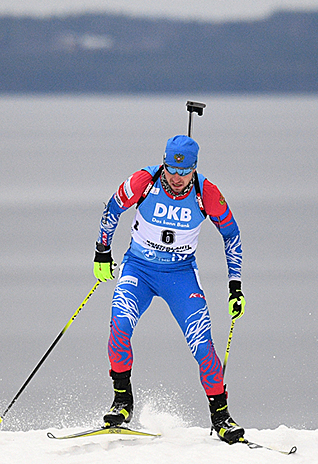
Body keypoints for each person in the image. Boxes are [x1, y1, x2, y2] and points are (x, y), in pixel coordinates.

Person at [92, 134, 246, 444]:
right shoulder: (144, 181)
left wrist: (235, 286)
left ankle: (221, 417)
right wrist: (102, 252)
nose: (176, 179)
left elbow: (231, 235)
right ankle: (122, 402)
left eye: (184, 172)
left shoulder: (207, 193)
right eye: (172, 171)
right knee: (120, 326)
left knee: (203, 345)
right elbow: (112, 207)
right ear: (164, 163)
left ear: (194, 168)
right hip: (139, 268)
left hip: (180, 275)